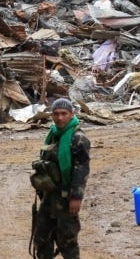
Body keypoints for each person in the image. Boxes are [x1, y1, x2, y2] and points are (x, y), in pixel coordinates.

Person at [31, 98, 90, 259]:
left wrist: (76, 197)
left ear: (72, 114)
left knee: (67, 241)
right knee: (42, 238)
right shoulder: (54, 135)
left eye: (64, 114)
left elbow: (81, 170)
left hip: (66, 198)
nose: (60, 118)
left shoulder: (78, 138)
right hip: (49, 197)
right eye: (56, 114)